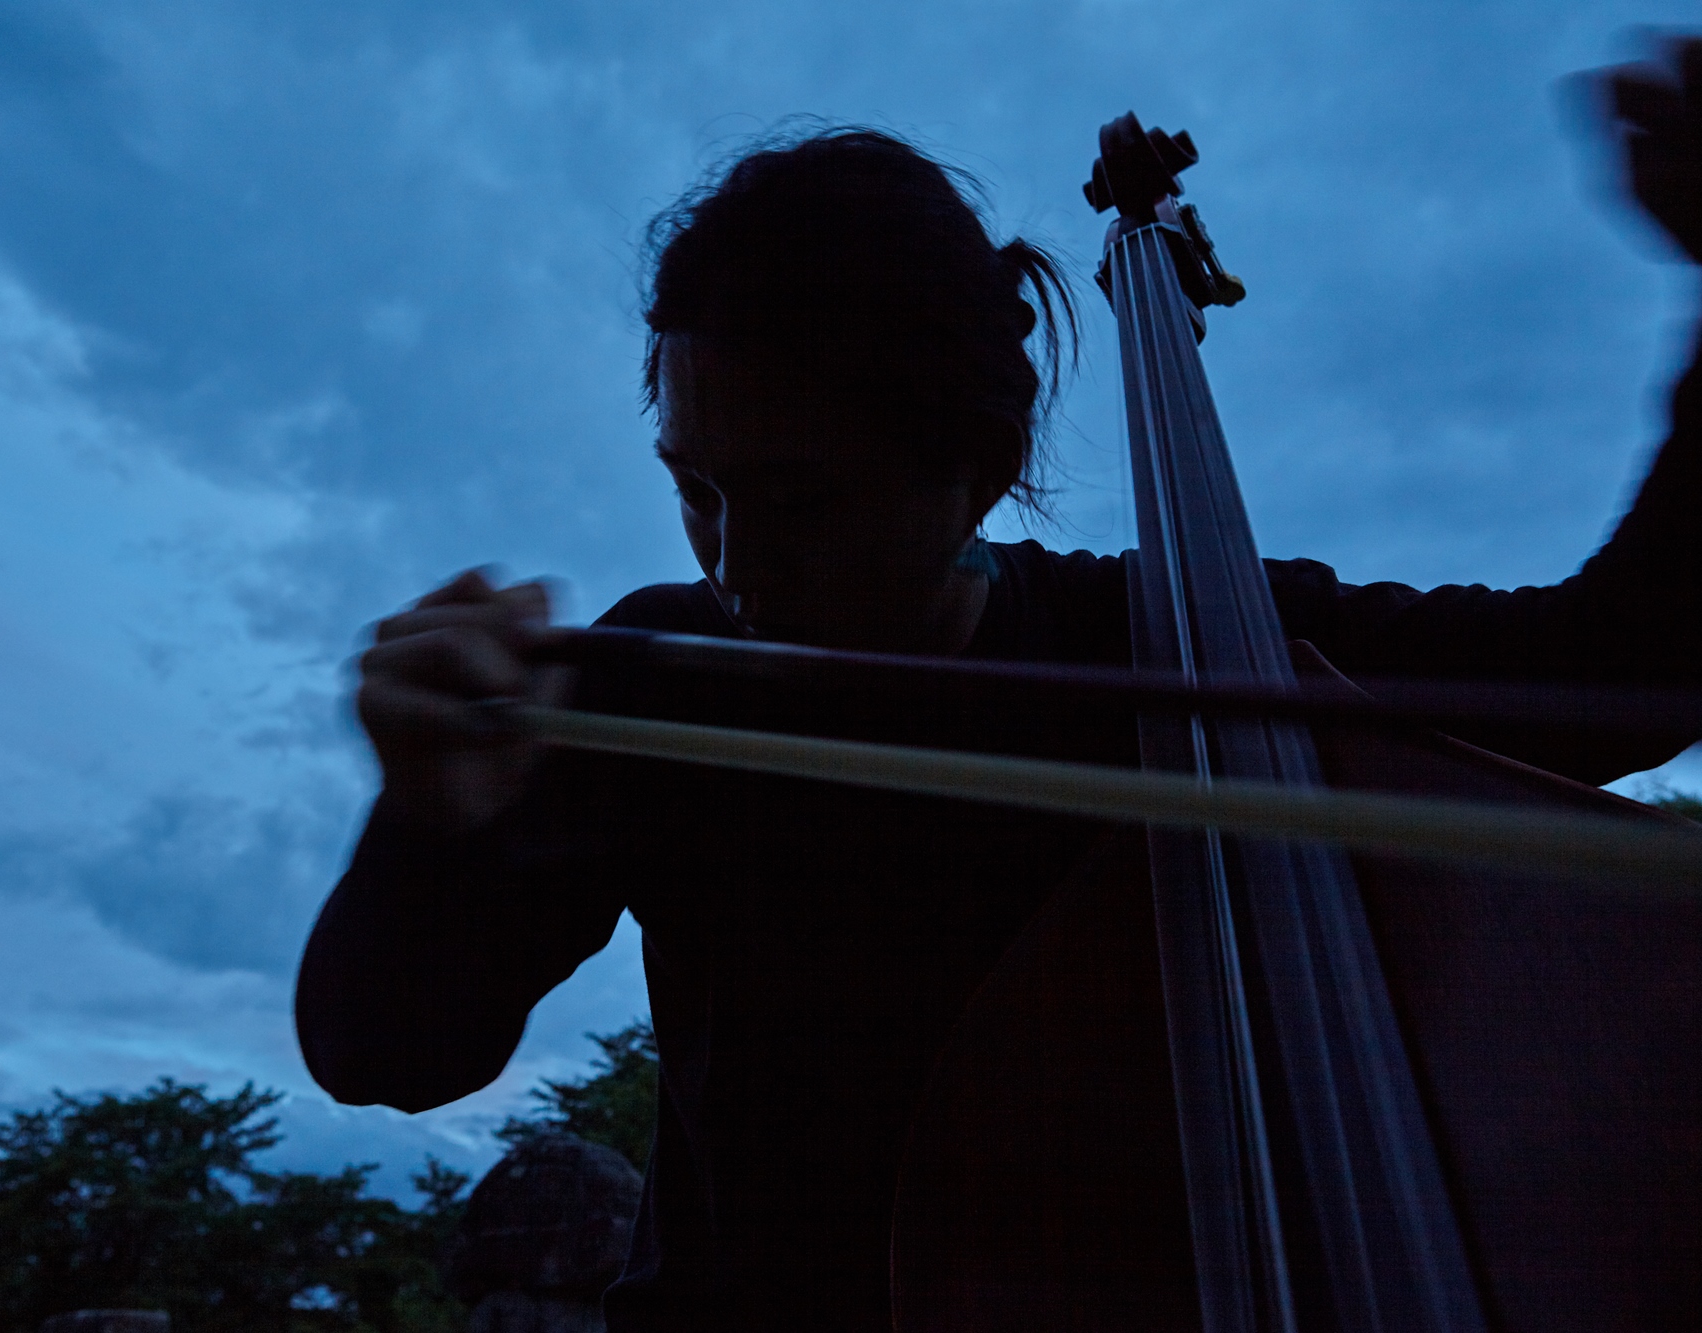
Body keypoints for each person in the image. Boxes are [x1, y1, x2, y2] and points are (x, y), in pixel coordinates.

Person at [297, 44, 1702, 1332]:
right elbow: (390, 1054)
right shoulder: (666, 683)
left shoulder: (1202, 656)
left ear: (976, 466)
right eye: (695, 488)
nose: (735, 565)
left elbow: (1631, 667)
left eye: (798, 499)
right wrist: (426, 822)